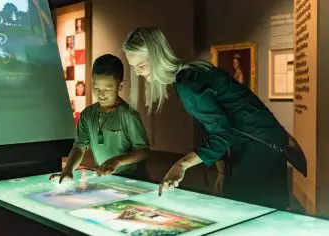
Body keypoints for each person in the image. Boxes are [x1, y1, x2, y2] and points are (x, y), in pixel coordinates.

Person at [123, 26, 293, 210]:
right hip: (256, 147)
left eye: (141, 66)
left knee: (252, 213)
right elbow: (219, 124)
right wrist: (222, 170)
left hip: (257, 152)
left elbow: (222, 133)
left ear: (157, 56)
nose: (138, 73)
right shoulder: (192, 71)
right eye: (134, 68)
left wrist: (180, 165)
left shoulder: (188, 84)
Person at [50, 54, 150, 183]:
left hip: (133, 181)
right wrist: (68, 169)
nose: (101, 94)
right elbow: (79, 146)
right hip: (106, 180)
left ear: (120, 86)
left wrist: (118, 161)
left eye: (107, 89)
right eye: (96, 88)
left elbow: (143, 151)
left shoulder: (128, 115)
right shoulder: (87, 115)